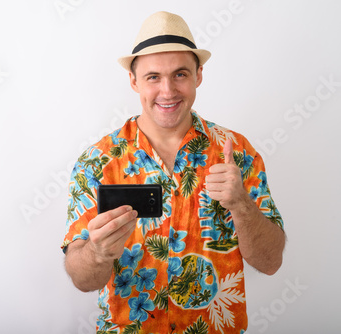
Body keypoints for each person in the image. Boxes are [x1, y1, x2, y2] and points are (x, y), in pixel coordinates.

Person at [61, 11, 285, 334]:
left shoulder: (238, 153)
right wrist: (97, 253)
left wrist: (241, 205)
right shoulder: (97, 162)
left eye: (180, 74)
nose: (167, 91)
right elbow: (83, 280)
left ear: (199, 75)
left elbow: (271, 260)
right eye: (153, 77)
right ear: (134, 81)